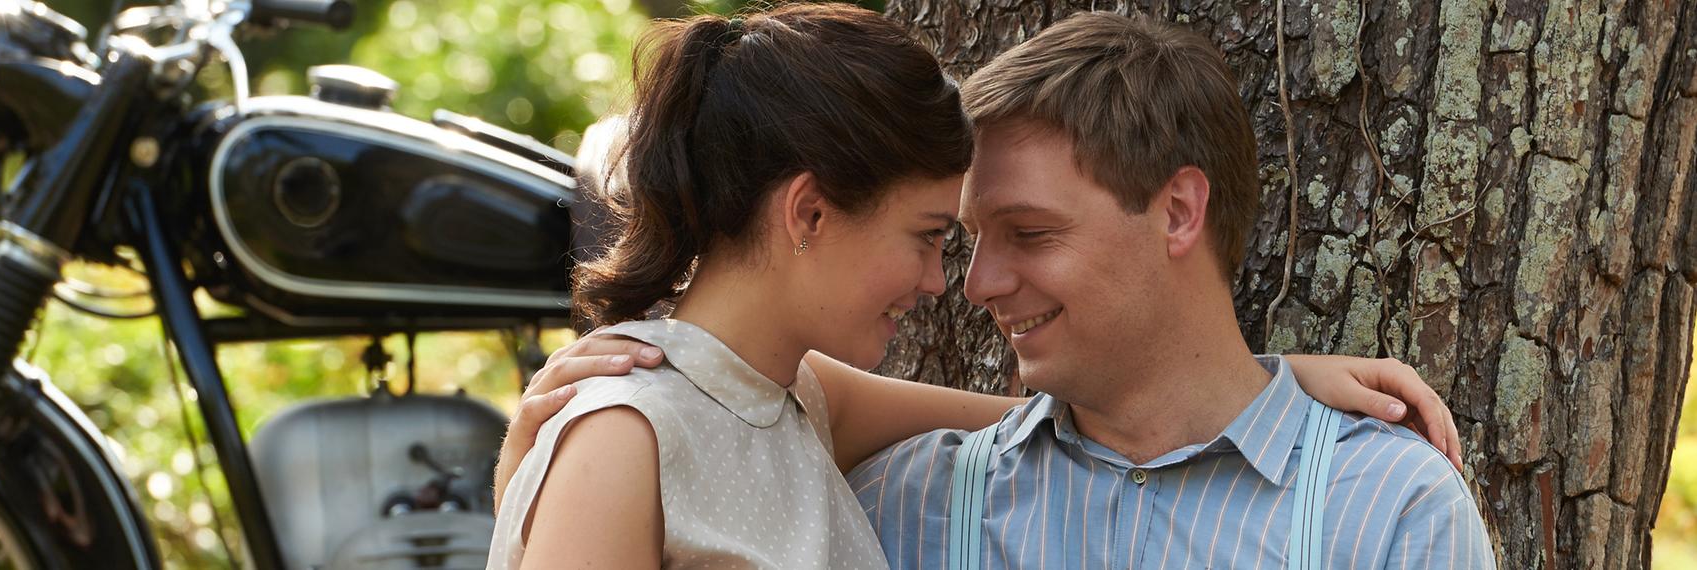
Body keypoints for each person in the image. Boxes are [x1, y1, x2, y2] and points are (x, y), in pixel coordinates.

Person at [489, 6, 1468, 569]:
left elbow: (1057, 423)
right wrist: (555, 464)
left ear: (1178, 213)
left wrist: (1273, 385)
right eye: (938, 238)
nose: (960, 283)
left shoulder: (796, 404)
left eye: (1028, 233)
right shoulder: (645, 435)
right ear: (808, 214)